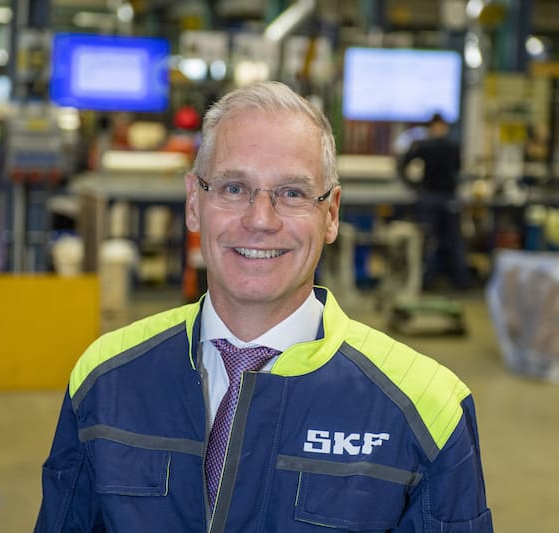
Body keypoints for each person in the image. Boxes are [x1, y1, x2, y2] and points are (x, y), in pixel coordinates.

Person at [35, 81, 492, 532]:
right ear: (194, 203)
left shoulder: (426, 408)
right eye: (234, 188)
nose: (260, 220)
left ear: (331, 214)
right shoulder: (106, 379)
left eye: (292, 193)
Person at [397, 112, 471, 290]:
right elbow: (459, 169)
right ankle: (460, 281)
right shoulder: (452, 146)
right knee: (452, 240)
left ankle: (427, 281)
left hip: (429, 196)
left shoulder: (425, 146)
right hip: (447, 198)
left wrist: (413, 185)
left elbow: (403, 164)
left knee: (430, 241)